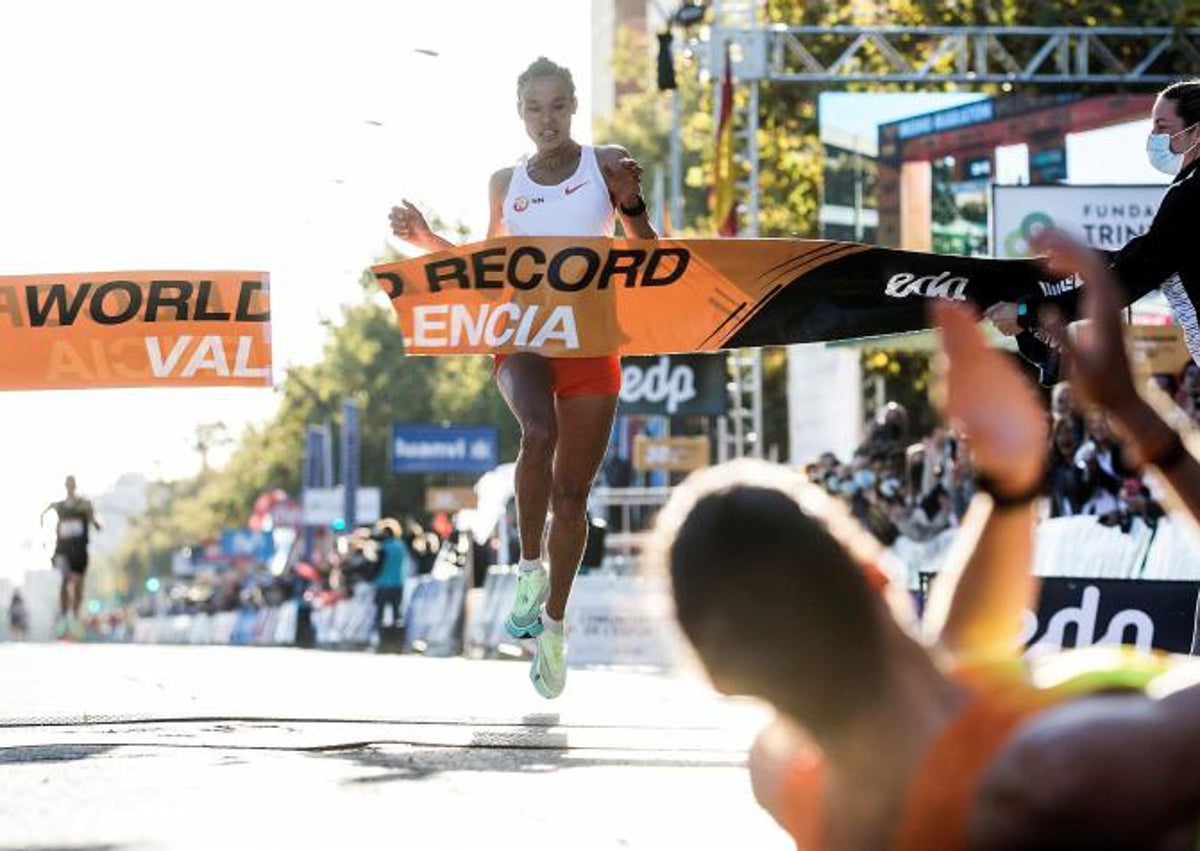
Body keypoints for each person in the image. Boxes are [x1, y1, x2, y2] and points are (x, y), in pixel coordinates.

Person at [651, 230, 1200, 850]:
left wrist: (1011, 485)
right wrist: (1137, 416)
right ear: (878, 570)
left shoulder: (789, 777)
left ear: (723, 678)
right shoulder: (1067, 769)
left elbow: (956, 670)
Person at [389, 57, 656, 698]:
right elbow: (487, 267)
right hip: (524, 336)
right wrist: (427, 241)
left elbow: (649, 255)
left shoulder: (607, 161)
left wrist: (632, 205)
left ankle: (555, 626)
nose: (547, 119)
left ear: (573, 106)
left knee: (572, 498)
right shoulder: (505, 181)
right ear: (520, 113)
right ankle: (528, 564)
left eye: (558, 105)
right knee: (537, 432)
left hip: (590, 341)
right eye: (535, 107)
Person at [987, 79, 1200, 370]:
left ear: (1197, 131)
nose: (1153, 136)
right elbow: (1150, 256)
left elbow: (1131, 277)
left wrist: (1028, 313)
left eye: (1162, 127)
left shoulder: (1189, 193)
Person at [40, 475, 101, 640]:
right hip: (63, 549)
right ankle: (64, 613)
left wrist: (91, 515)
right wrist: (44, 539)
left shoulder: (84, 504)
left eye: (72, 484)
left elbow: (96, 524)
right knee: (65, 578)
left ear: (76, 485)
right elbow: (43, 515)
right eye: (68, 484)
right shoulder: (58, 506)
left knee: (79, 583)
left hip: (80, 550)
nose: (70, 486)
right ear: (64, 485)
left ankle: (75, 612)